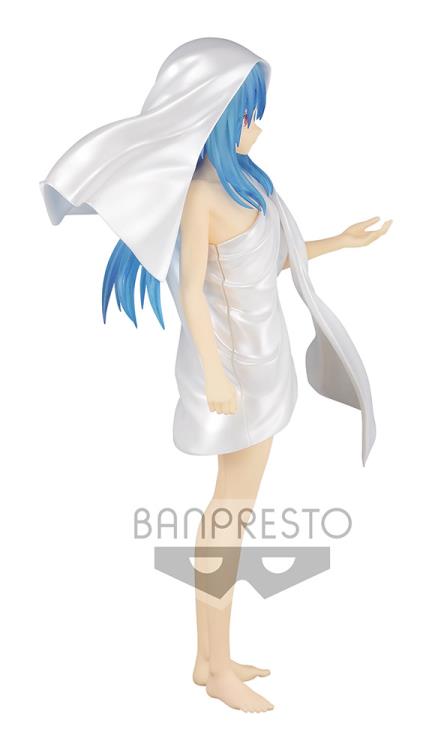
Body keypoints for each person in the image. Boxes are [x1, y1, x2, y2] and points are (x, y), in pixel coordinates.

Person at [40, 37, 391, 713]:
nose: (260, 126)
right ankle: (218, 666)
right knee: (228, 515)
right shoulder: (201, 197)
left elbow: (270, 262)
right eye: (250, 114)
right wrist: (213, 373)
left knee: (233, 510)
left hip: (266, 362)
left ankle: (208, 661)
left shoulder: (248, 183)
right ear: (219, 117)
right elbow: (190, 293)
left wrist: (339, 242)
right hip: (235, 375)